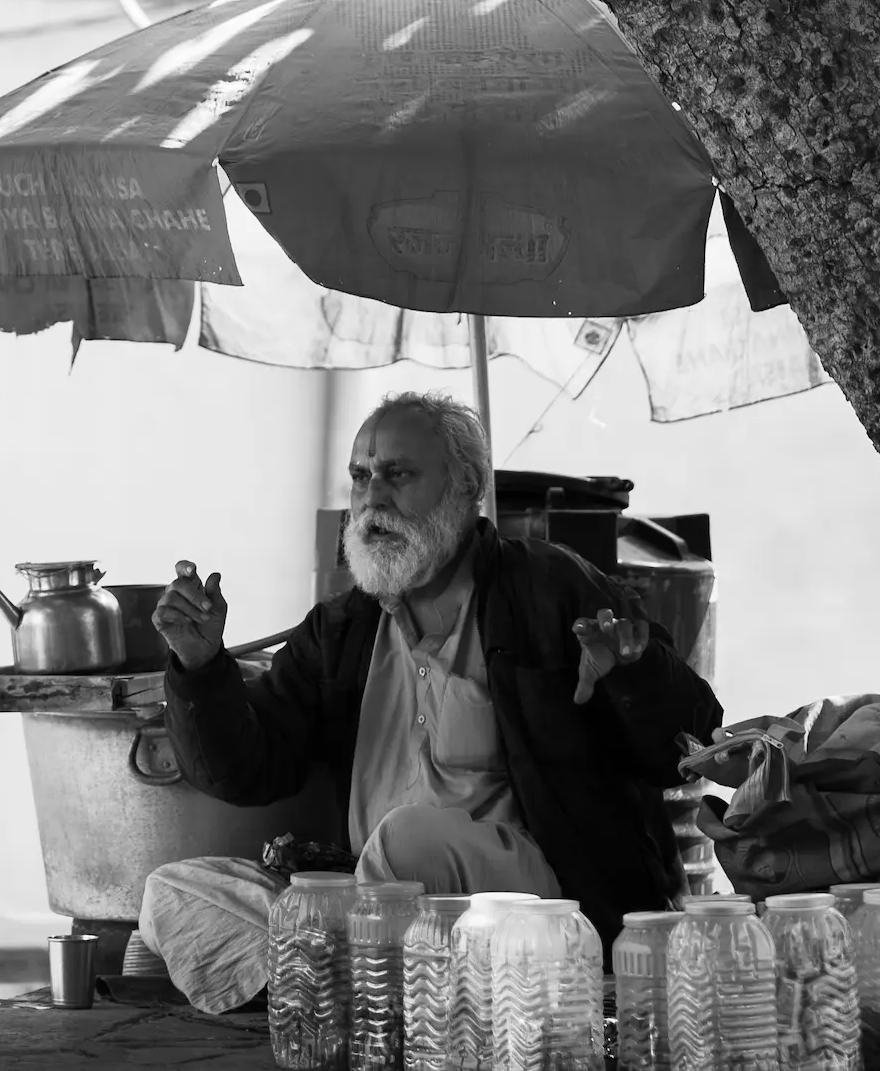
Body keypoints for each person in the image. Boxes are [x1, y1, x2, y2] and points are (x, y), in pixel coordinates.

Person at [138, 392, 722, 1014]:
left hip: (534, 904)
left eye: (399, 474)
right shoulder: (342, 629)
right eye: (361, 477)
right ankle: (364, 976)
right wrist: (200, 669)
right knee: (174, 890)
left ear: (465, 484)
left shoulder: (549, 590)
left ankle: (333, 977)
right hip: (381, 897)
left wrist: (632, 675)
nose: (373, 499)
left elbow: (689, 745)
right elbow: (249, 770)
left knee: (406, 841)